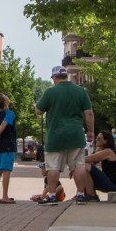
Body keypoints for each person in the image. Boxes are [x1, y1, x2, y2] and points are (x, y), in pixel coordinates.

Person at [35, 65, 94, 205]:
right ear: (66, 76)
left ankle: (52, 195)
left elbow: (38, 111)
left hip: (56, 135)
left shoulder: (50, 92)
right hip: (76, 134)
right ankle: (80, 194)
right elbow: (89, 113)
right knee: (78, 166)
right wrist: (90, 131)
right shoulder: (81, 91)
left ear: (54, 77)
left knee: (53, 166)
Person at [80, 130, 116, 201]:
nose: (96, 140)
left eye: (99, 138)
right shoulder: (103, 150)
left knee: (85, 166)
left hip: (114, 186)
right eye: (96, 138)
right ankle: (82, 194)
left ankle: (92, 196)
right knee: (83, 168)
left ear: (106, 141)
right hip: (109, 182)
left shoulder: (108, 152)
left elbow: (86, 159)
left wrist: (72, 161)